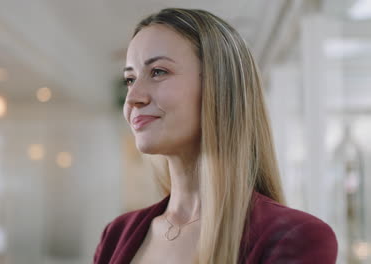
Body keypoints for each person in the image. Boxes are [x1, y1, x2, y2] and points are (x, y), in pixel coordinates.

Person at [93, 8, 338, 264]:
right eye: (130, 79)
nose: (133, 98)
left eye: (158, 72)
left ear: (219, 87)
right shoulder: (116, 235)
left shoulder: (296, 237)